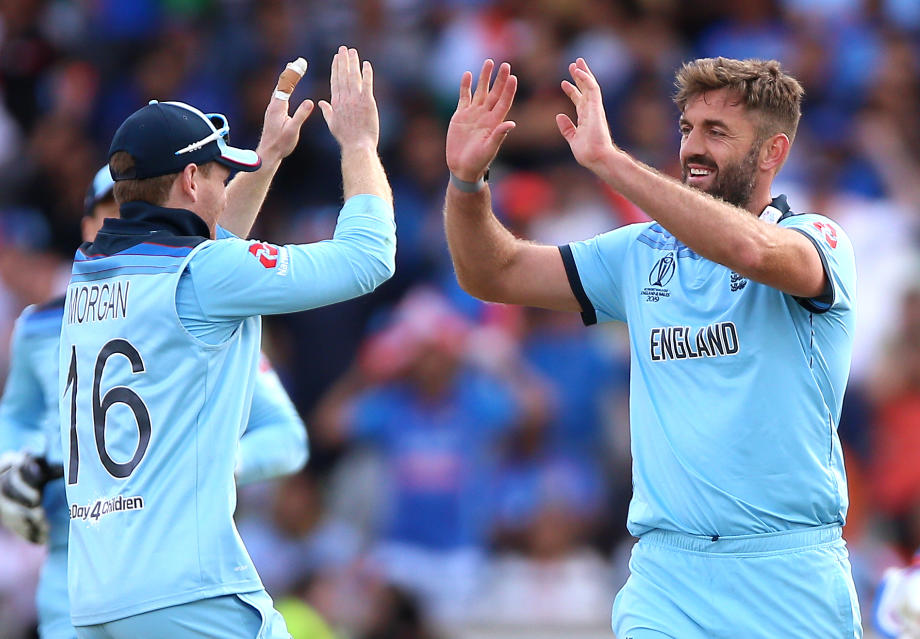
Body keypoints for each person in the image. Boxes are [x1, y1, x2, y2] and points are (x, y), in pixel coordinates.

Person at [443, 56, 859, 637]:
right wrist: (467, 184)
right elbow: (495, 273)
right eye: (688, 128)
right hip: (667, 576)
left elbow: (752, 254)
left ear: (773, 153)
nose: (692, 147)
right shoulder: (640, 253)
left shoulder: (817, 240)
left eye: (717, 132)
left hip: (786, 573)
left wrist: (610, 163)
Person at [58, 46, 394, 638]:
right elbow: (369, 258)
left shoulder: (90, 272)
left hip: (95, 600)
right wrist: (361, 144)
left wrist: (263, 162)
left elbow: (210, 255)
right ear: (191, 179)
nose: (224, 185)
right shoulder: (203, 276)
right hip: (190, 593)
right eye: (219, 174)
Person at [0, 161, 310, 637]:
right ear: (86, 229)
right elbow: (16, 416)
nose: (125, 225)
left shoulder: (199, 307)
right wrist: (8, 465)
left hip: (168, 558)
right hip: (71, 561)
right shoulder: (38, 326)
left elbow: (288, 438)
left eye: (133, 210)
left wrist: (209, 462)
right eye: (110, 213)